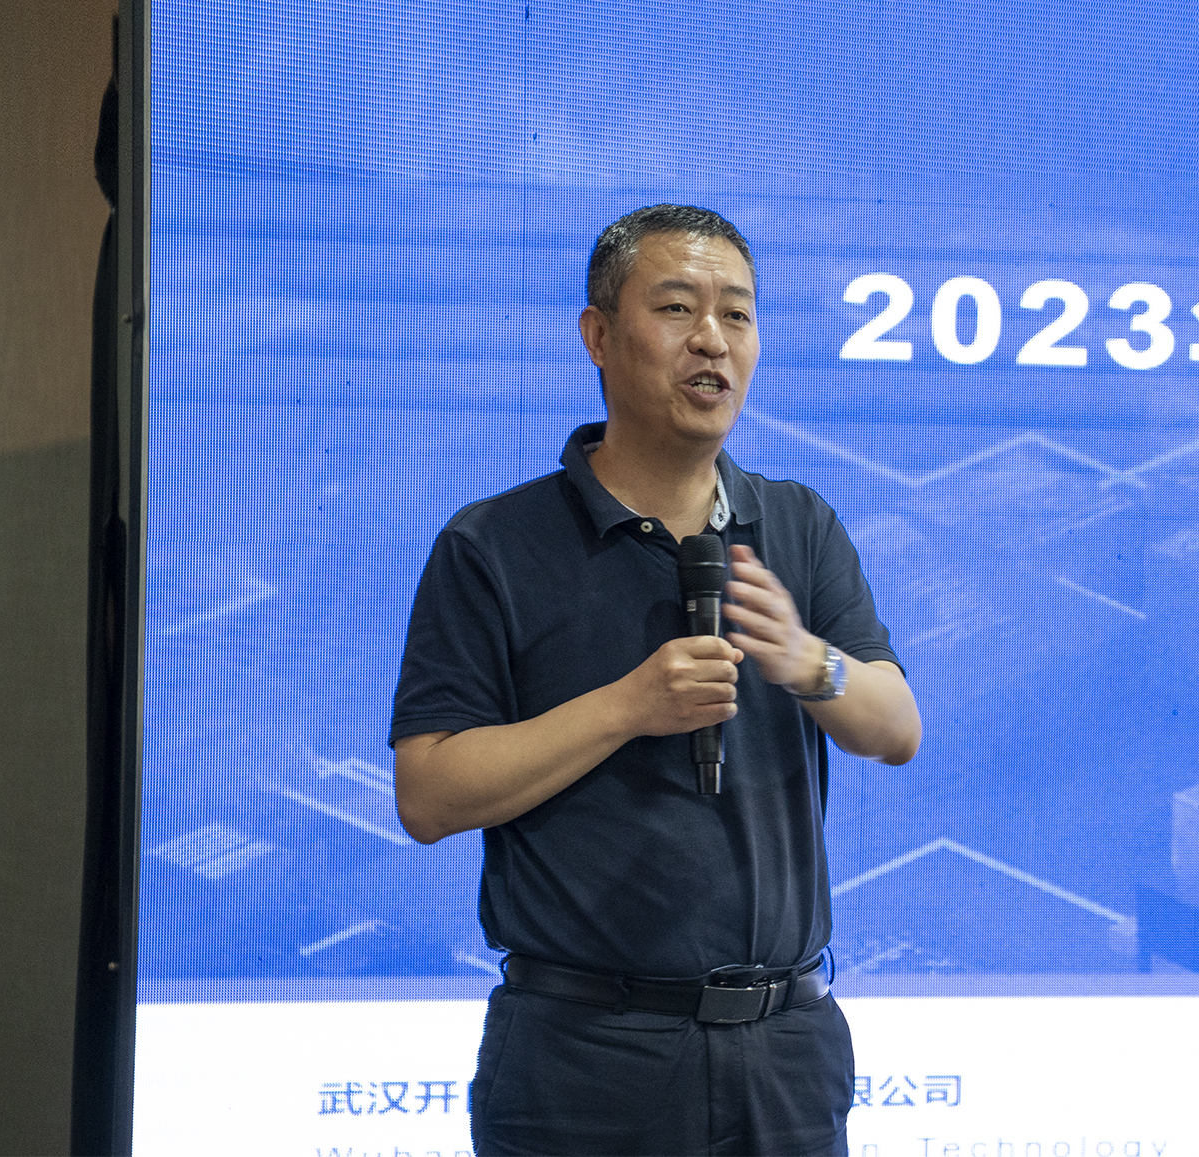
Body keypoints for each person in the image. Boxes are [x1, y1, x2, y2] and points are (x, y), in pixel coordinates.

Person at [389, 203, 922, 1156]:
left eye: (738, 314)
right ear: (598, 335)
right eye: (678, 308)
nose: (712, 340)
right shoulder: (495, 544)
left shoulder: (797, 525)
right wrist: (629, 706)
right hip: (583, 1056)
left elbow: (896, 727)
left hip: (785, 1051)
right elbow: (428, 793)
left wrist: (810, 662)